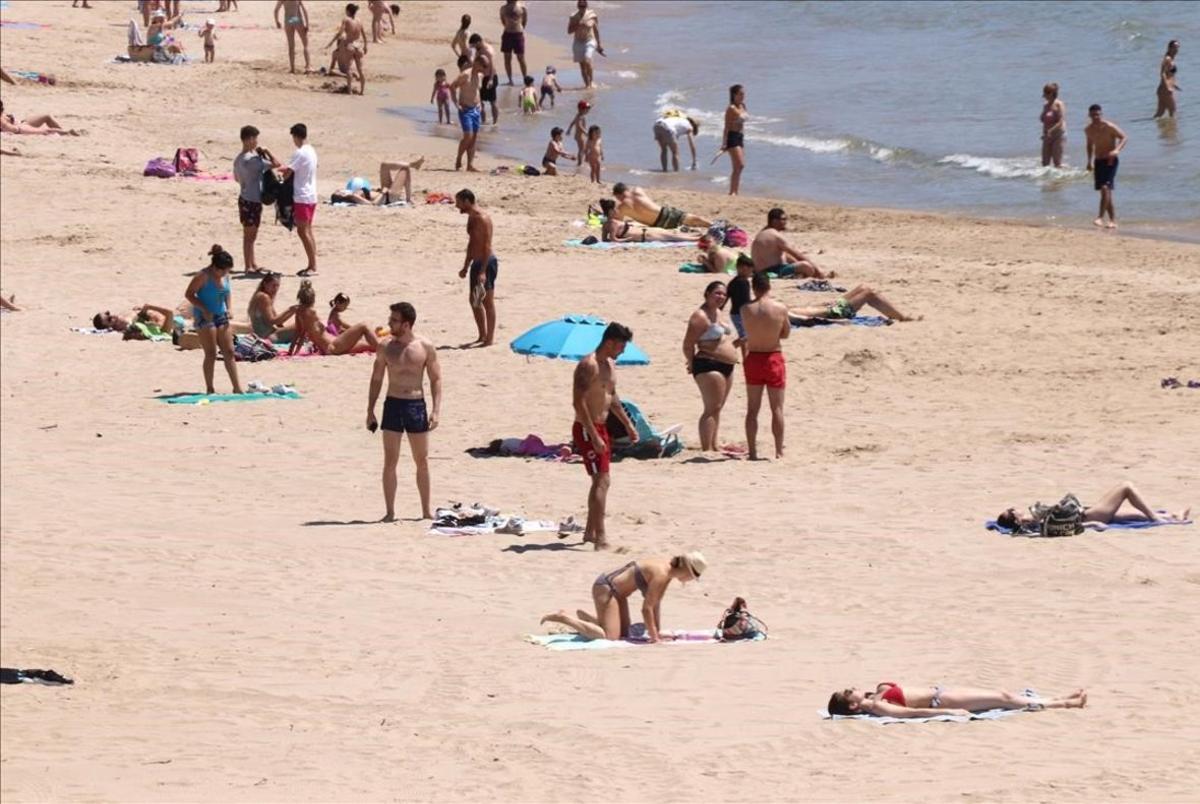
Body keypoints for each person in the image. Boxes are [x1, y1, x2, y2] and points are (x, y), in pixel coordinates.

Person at [367, 302, 443, 522]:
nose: (390, 323)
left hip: (415, 405)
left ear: (407, 324)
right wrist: (370, 410)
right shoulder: (385, 346)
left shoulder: (425, 346)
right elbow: (377, 378)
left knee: (422, 460)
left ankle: (426, 511)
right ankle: (390, 512)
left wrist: (436, 410)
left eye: (394, 320)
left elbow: (436, 379)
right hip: (392, 404)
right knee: (390, 460)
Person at [572, 323, 638, 550]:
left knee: (599, 481)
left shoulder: (610, 365)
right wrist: (593, 435)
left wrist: (628, 424)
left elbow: (612, 396)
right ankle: (600, 537)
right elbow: (578, 402)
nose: (623, 351)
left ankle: (590, 532)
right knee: (603, 480)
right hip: (587, 427)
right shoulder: (588, 365)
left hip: (602, 427)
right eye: (621, 345)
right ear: (610, 342)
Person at [540, 553, 707, 641]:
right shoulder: (662, 574)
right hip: (607, 589)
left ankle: (591, 619)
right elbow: (646, 609)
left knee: (624, 634)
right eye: (693, 576)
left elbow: (655, 604)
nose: (691, 580)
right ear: (687, 569)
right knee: (610, 637)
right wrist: (654, 638)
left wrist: (657, 632)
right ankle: (563, 618)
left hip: (619, 594)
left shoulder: (667, 572)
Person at [995, 481, 1191, 533]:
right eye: (1012, 510)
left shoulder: (1030, 522)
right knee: (1125, 487)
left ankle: (1174, 518)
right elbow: (1057, 528)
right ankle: (1157, 518)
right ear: (1015, 518)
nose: (1016, 508)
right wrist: (1092, 525)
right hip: (1089, 516)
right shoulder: (1030, 521)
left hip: (1088, 513)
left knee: (1133, 516)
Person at [683, 282, 739, 452]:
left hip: (726, 365)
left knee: (718, 407)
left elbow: (721, 341)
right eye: (717, 293)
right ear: (707, 293)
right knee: (711, 408)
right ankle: (706, 448)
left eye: (723, 294)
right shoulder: (700, 316)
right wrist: (691, 363)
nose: (721, 297)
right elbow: (688, 344)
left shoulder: (718, 313)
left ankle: (713, 445)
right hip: (708, 363)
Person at [827, 683, 1087, 719]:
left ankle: (1060, 699)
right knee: (1005, 699)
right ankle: (1065, 704)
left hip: (943, 692)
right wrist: (949, 714)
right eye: (851, 692)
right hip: (942, 701)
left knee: (1006, 696)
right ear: (853, 705)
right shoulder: (874, 706)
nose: (854, 688)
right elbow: (906, 714)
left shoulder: (875, 695)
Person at [740, 272, 788, 461]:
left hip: (753, 357)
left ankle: (752, 451)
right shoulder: (780, 308)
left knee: (752, 409)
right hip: (773, 356)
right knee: (776, 408)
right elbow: (785, 333)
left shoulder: (746, 309)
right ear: (769, 286)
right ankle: (778, 450)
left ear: (754, 287)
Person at [184, 248, 243, 395]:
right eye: (222, 271)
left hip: (221, 314)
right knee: (211, 353)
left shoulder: (225, 275)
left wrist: (229, 309)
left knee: (229, 351)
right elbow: (189, 294)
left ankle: (237, 387)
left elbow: (227, 293)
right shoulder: (203, 276)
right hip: (205, 317)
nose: (224, 274)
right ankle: (210, 388)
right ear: (215, 267)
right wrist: (204, 309)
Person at [234, 125, 280, 275]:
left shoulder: (239, 159)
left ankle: (252, 263)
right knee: (250, 235)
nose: (256, 142)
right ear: (249, 139)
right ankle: (249, 266)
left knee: (250, 235)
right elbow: (276, 164)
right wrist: (267, 151)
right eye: (255, 139)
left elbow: (236, 178)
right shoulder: (252, 161)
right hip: (252, 200)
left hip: (245, 197)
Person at [455, 189, 498, 346]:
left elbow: (487, 245)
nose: (456, 205)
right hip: (476, 263)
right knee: (474, 301)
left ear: (467, 201)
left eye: (458, 202)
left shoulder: (482, 218)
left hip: (487, 263)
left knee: (487, 301)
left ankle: (490, 339)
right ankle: (482, 335)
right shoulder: (471, 218)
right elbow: (472, 243)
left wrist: (483, 271)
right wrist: (466, 266)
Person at [289, 280, 379, 355]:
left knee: (367, 344)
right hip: (333, 346)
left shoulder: (299, 313)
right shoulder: (312, 313)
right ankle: (383, 350)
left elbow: (298, 334)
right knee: (364, 325)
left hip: (332, 346)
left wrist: (291, 352)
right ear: (313, 298)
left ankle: (383, 346)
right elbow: (301, 334)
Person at [278, 123, 319, 276]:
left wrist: (283, 172)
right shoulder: (311, 150)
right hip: (311, 195)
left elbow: (288, 173)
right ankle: (313, 263)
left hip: (302, 195)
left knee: (303, 231)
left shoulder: (300, 152)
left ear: (295, 136)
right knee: (308, 230)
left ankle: (312, 266)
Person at [751, 208, 833, 278]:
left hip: (759, 270)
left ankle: (799, 273)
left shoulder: (762, 233)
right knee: (807, 266)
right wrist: (818, 272)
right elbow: (798, 255)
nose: (785, 222)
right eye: (783, 219)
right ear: (774, 221)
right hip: (772, 271)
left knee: (785, 255)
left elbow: (789, 255)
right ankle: (815, 274)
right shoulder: (776, 236)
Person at [1084, 104, 1127, 229]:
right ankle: (1113, 220)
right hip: (1098, 161)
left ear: (1101, 114)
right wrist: (1089, 161)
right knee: (1106, 192)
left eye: (1098, 114)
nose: (1096, 117)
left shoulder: (1109, 126)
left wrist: (1117, 150)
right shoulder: (1088, 130)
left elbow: (1124, 137)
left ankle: (1100, 217)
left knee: (1104, 188)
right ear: (1089, 115)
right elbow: (1089, 145)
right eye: (1093, 115)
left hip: (1110, 160)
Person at [788, 284, 920, 324]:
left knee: (863, 287)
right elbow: (805, 319)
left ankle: (901, 316)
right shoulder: (778, 312)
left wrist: (821, 303)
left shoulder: (771, 306)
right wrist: (836, 322)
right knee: (869, 292)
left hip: (830, 307)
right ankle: (902, 317)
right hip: (834, 313)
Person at [611, 183, 710, 230]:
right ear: (626, 189)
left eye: (617, 197)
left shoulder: (621, 208)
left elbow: (618, 222)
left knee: (691, 223)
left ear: (618, 195)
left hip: (659, 225)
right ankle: (714, 225)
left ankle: (714, 226)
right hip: (665, 214)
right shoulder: (637, 190)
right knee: (695, 219)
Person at [598, 199, 703, 243]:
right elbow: (613, 239)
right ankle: (698, 239)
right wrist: (627, 239)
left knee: (672, 234)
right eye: (616, 208)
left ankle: (698, 237)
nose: (618, 210)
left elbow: (604, 239)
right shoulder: (612, 224)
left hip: (646, 231)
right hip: (645, 236)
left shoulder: (608, 224)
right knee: (674, 237)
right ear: (611, 211)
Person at [327, 4, 367, 95]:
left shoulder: (346, 20)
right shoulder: (359, 21)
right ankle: (362, 91)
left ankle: (350, 91)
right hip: (358, 46)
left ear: (348, 11)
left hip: (349, 45)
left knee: (348, 69)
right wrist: (365, 46)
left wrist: (331, 43)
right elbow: (364, 35)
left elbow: (340, 32)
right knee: (360, 70)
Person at [450, 55, 481, 172]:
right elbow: (452, 87)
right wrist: (456, 104)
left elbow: (476, 91)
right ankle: (459, 158)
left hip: (476, 109)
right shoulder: (464, 75)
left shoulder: (478, 75)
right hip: (465, 109)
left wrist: (480, 105)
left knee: (474, 138)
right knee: (468, 136)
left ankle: (470, 164)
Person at [247, 272, 297, 342]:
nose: (276, 289)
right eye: (273, 285)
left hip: (262, 334)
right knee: (304, 323)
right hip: (268, 336)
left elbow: (278, 322)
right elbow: (272, 321)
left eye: (277, 286)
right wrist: (290, 310)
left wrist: (292, 312)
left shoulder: (259, 295)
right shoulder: (264, 297)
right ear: (265, 284)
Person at [92, 303, 180, 341]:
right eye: (109, 319)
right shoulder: (124, 328)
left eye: (108, 313)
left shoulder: (124, 314)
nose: (112, 316)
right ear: (109, 327)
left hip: (163, 321)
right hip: (164, 327)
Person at [567, 0, 604, 89]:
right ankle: (587, 85)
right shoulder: (573, 16)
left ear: (586, 6)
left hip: (589, 40)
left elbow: (596, 30)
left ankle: (591, 82)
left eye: (583, 6)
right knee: (582, 65)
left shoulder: (592, 15)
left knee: (588, 60)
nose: (582, 7)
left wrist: (599, 44)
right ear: (578, 6)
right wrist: (578, 25)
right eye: (580, 6)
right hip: (578, 41)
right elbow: (569, 31)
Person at [719, 84, 747, 195]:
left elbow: (742, 124)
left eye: (743, 94)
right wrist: (724, 143)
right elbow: (726, 127)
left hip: (740, 136)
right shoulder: (731, 109)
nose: (742, 96)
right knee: (740, 164)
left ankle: (734, 191)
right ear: (734, 95)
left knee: (738, 167)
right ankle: (733, 191)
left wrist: (742, 136)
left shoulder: (743, 106)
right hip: (732, 137)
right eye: (740, 94)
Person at [0, 101, 84, 136]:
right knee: (46, 131)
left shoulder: (2, 115)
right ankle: (67, 133)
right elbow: (11, 130)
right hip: (19, 129)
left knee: (46, 117)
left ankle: (62, 132)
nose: (3, 109)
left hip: (20, 123)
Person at [274, 1, 311, 75]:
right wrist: (307, 24)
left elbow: (276, 10)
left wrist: (277, 21)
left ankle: (292, 68)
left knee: (291, 46)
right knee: (305, 44)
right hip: (296, 19)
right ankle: (308, 66)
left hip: (288, 20)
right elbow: (304, 10)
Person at [725, 253, 755, 345]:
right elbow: (746, 300)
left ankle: (745, 358)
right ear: (743, 268)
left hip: (734, 313)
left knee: (743, 337)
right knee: (745, 338)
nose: (751, 273)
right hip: (741, 314)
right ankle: (730, 349)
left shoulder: (732, 282)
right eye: (750, 270)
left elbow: (726, 298)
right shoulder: (743, 282)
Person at [470, 34, 499, 125]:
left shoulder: (487, 51)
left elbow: (492, 67)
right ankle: (483, 121)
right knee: (480, 101)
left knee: (492, 101)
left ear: (478, 42)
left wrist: (490, 80)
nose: (474, 48)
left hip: (490, 77)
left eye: (474, 45)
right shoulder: (479, 50)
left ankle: (495, 123)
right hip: (481, 77)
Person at [499, 0, 528, 86]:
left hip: (518, 34)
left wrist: (518, 29)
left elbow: (524, 21)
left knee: (521, 58)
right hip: (507, 34)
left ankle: (525, 79)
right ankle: (510, 80)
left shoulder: (522, 8)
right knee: (507, 58)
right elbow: (503, 21)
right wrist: (510, 27)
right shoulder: (503, 8)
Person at [1040, 83, 1066, 168]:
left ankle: (1059, 180)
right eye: (1044, 92)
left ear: (1052, 93)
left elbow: (1061, 121)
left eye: (1046, 93)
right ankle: (1046, 181)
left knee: (1057, 162)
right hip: (1047, 136)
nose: (1044, 95)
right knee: (1045, 163)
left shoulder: (1059, 104)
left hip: (1058, 135)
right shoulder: (1045, 105)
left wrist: (1051, 130)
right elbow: (1043, 120)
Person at [1155, 40, 1181, 119]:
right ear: (1169, 48)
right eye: (1174, 47)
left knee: (1160, 113)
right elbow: (1162, 73)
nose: (1176, 49)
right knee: (1172, 110)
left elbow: (1169, 74)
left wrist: (1174, 85)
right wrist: (1167, 87)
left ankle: (1146, 127)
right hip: (1165, 90)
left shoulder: (1171, 59)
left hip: (1163, 90)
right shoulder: (1167, 59)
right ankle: (1172, 129)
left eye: (1177, 47)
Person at [566, 100, 590, 166]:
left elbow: (572, 123)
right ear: (581, 109)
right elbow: (579, 126)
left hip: (579, 135)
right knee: (581, 150)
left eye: (588, 109)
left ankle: (585, 161)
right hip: (580, 136)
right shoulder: (580, 116)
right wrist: (586, 133)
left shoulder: (579, 115)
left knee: (584, 149)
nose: (588, 111)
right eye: (586, 109)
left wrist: (569, 129)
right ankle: (579, 163)